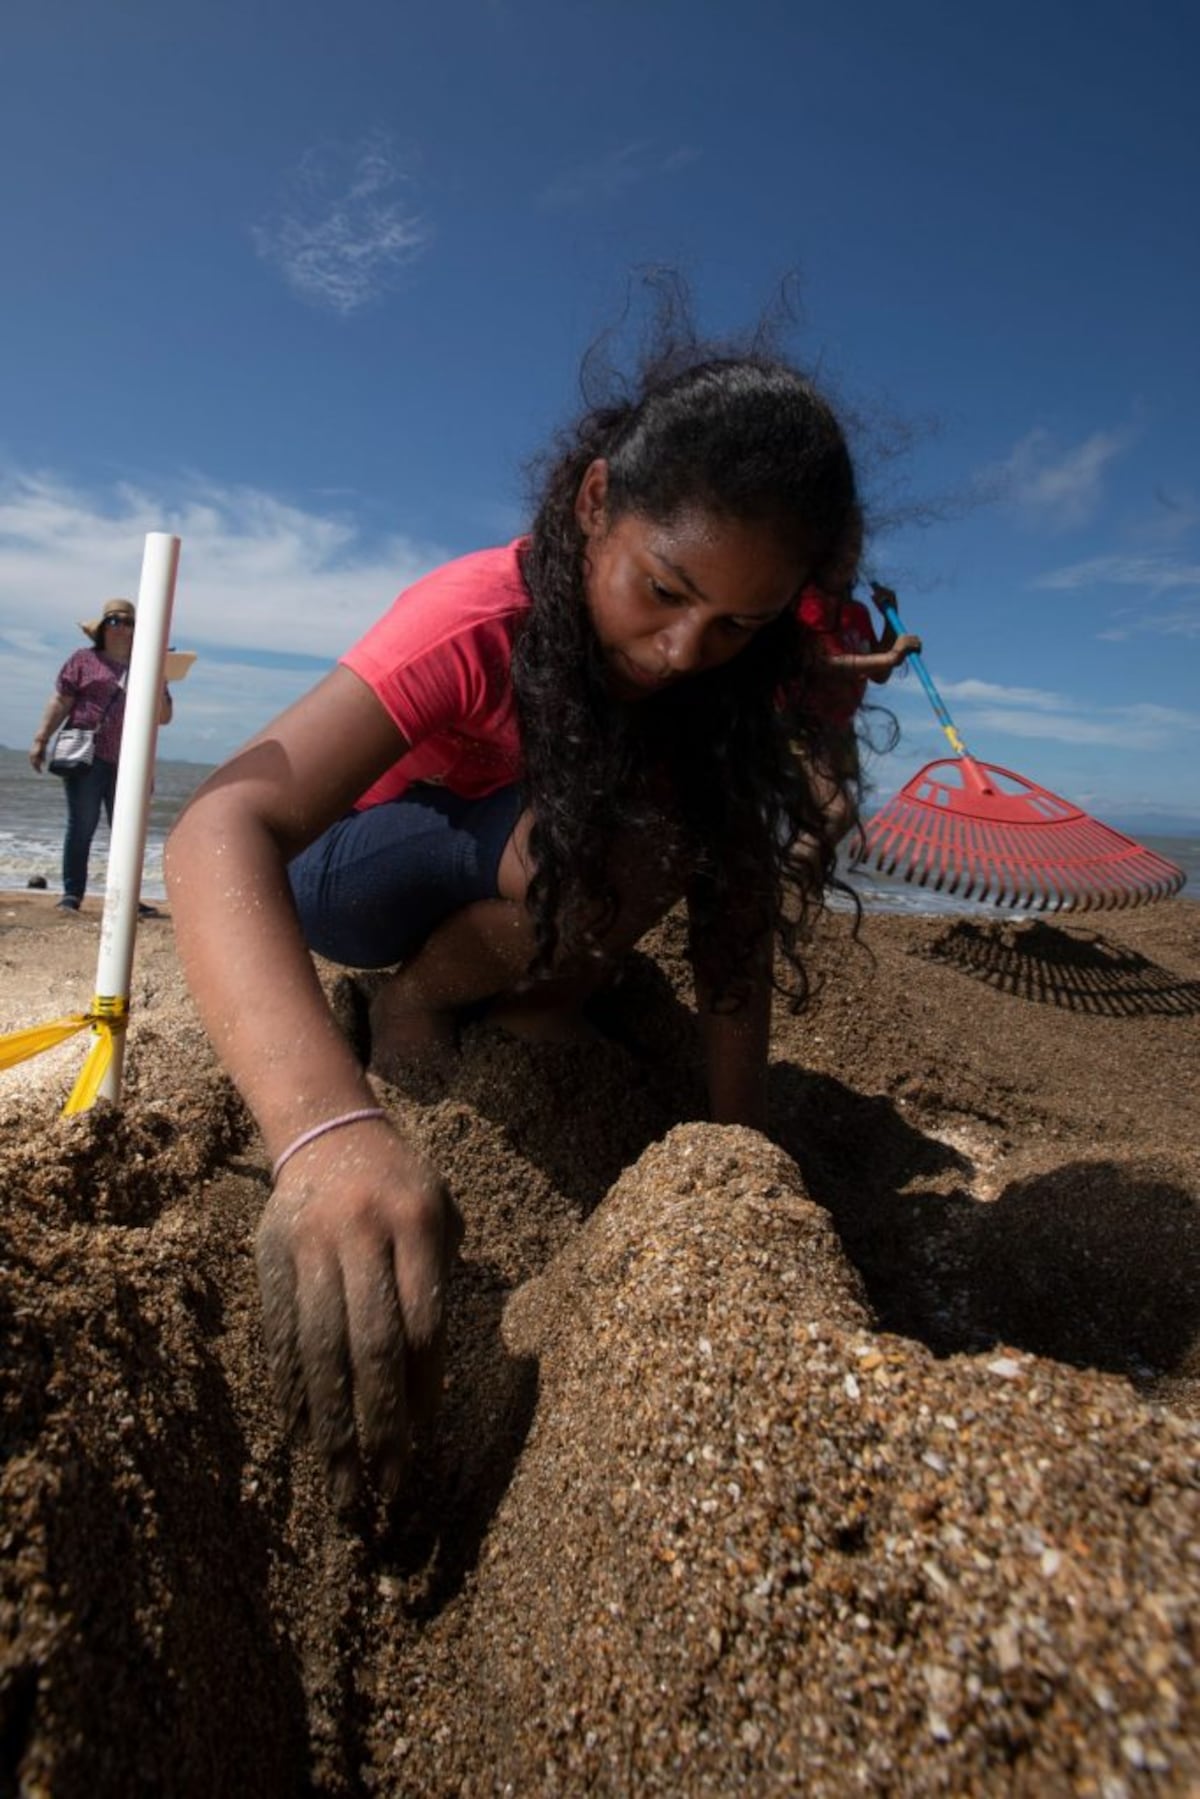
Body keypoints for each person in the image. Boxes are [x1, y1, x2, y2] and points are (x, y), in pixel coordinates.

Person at [166, 341, 861, 1510]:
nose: (685, 650)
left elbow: (733, 940)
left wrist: (745, 1160)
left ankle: (528, 996)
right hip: (355, 872)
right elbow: (221, 826)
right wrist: (324, 1130)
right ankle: (415, 995)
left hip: (519, 866)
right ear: (597, 505)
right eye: (665, 589)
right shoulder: (477, 613)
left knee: (675, 831)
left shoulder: (727, 685)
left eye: (736, 623)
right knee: (593, 843)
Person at [28, 598, 174, 914]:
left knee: (128, 831)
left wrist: (159, 682)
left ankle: (126, 900)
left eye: (129, 622)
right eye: (114, 621)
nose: (122, 627)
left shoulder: (149, 668)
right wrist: (41, 738)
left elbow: (163, 717)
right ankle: (72, 895)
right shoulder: (83, 660)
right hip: (87, 754)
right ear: (102, 628)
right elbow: (61, 701)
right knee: (82, 825)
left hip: (132, 761)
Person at [794, 533, 922, 843]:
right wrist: (890, 656)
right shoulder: (806, 602)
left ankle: (800, 883)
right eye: (841, 552)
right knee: (836, 811)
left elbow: (878, 674)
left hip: (839, 728)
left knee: (828, 818)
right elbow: (818, 663)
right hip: (798, 722)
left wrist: (891, 620)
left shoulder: (858, 613)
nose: (849, 560)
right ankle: (790, 879)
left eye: (854, 553)